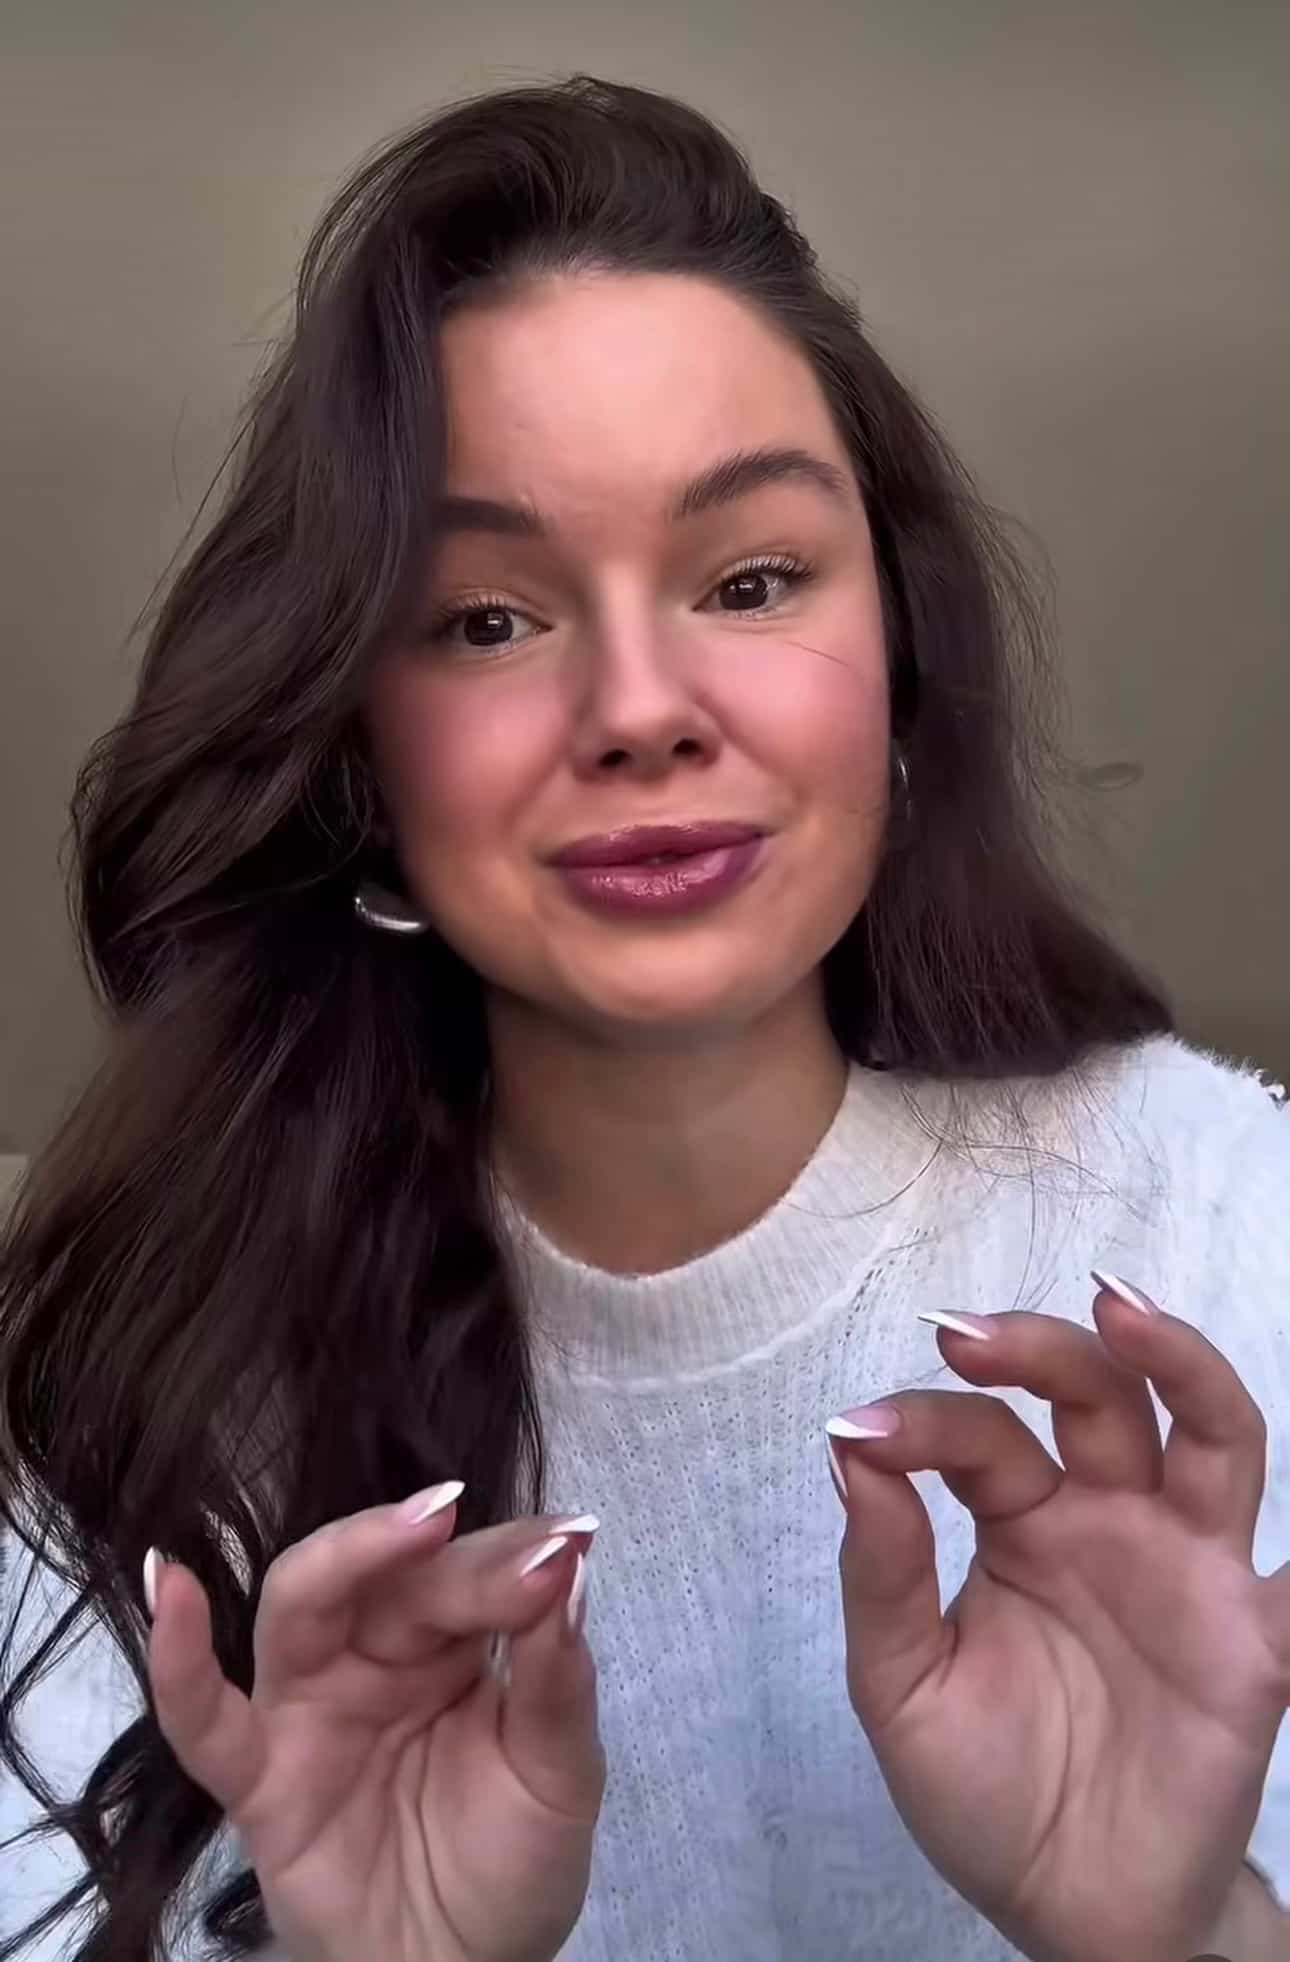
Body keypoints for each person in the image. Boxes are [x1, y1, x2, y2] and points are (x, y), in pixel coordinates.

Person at [0, 71, 1287, 1962]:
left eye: (750, 580)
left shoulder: (1227, 1230)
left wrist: (1181, 1929)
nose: (637, 708)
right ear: (356, 751)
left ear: (901, 662)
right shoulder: (122, 1382)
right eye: (486, 618)